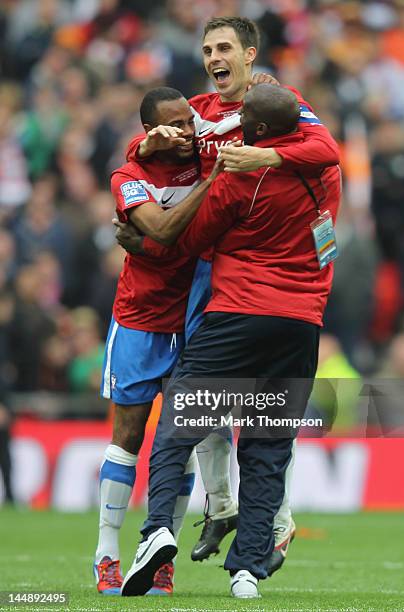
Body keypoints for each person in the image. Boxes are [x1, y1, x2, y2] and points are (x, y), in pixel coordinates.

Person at [117, 15, 340, 573]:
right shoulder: (199, 110)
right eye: (207, 49)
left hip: (231, 272)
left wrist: (266, 156)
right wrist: (146, 140)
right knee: (229, 408)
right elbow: (147, 148)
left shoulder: (276, 100)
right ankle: (225, 507)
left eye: (224, 48)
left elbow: (325, 148)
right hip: (221, 277)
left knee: (223, 406)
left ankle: (273, 517)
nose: (215, 58)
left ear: (250, 54)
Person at [94, 86, 236, 597]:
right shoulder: (128, 177)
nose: (187, 131)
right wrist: (210, 180)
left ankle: (160, 558)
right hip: (140, 317)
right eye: (173, 124)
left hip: (195, 322)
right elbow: (164, 231)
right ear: (151, 128)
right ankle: (106, 553)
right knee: (129, 436)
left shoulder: (201, 152)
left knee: (181, 441)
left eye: (190, 120)